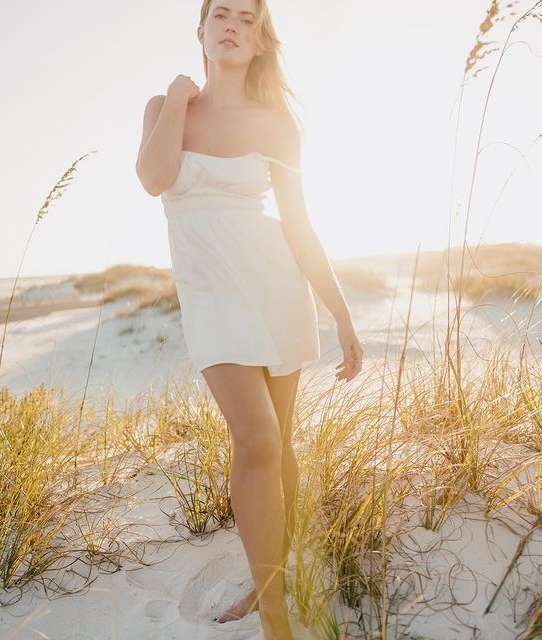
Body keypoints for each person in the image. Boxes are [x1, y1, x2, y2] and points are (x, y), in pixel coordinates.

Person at [136, 1, 363, 638]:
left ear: (261, 38)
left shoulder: (276, 123)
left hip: (276, 292)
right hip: (212, 302)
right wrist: (181, 99)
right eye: (221, 14)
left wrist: (340, 313)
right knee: (257, 439)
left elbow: (298, 226)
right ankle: (276, 617)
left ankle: (272, 580)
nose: (233, 24)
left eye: (247, 17)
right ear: (201, 32)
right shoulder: (165, 108)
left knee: (279, 447)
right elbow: (154, 179)